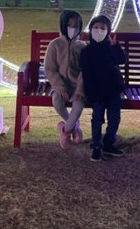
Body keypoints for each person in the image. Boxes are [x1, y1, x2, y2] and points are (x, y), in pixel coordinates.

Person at [79, 14, 127, 162]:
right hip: (97, 92)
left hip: (113, 91)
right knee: (97, 119)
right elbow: (86, 74)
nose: (98, 31)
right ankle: (96, 146)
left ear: (108, 31)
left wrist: (115, 47)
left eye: (102, 28)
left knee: (114, 120)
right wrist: (91, 93)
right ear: (90, 30)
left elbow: (122, 60)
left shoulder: (110, 47)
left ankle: (108, 143)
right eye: (95, 27)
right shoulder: (87, 51)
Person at [44, 10, 86, 149]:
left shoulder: (82, 47)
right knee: (57, 101)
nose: (72, 28)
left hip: (77, 86)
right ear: (63, 25)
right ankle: (75, 128)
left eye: (76, 25)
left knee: (78, 105)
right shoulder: (55, 45)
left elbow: (84, 71)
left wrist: (80, 89)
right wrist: (60, 88)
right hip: (59, 86)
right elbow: (50, 69)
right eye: (69, 24)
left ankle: (65, 130)